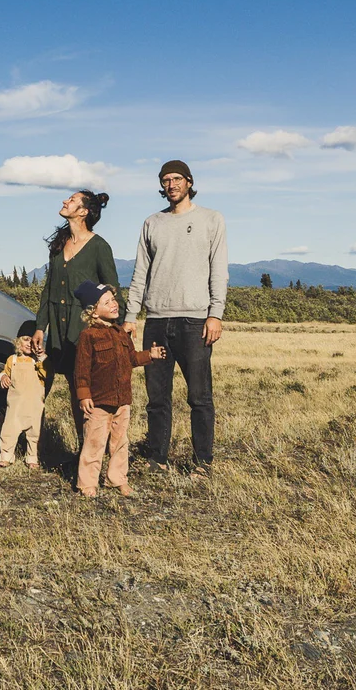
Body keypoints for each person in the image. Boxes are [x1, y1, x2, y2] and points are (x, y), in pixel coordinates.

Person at [123, 160, 228, 476]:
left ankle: (202, 462)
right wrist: (130, 315)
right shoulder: (152, 223)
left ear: (189, 182)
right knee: (157, 398)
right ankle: (157, 458)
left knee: (199, 396)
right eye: (166, 180)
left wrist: (215, 314)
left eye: (177, 179)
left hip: (195, 322)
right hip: (156, 320)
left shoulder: (211, 219)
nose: (171, 185)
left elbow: (219, 270)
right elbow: (140, 273)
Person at [31, 190, 120, 444]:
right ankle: (84, 449)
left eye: (71, 200)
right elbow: (49, 289)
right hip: (61, 328)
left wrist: (115, 328)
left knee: (91, 390)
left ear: (83, 212)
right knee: (75, 388)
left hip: (86, 329)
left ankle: (99, 448)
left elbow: (112, 289)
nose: (65, 201)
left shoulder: (99, 247)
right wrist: (40, 326)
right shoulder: (59, 246)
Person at [72, 280, 164, 496]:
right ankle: (87, 483)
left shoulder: (121, 333)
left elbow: (131, 358)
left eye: (113, 299)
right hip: (99, 402)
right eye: (107, 302)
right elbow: (81, 369)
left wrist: (149, 355)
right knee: (94, 443)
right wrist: (84, 395)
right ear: (93, 312)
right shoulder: (88, 336)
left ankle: (117, 478)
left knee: (120, 442)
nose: (114, 304)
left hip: (123, 400)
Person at [0, 320, 48, 468]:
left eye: (33, 340)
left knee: (34, 433)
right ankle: (6, 456)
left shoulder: (39, 361)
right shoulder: (12, 360)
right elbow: (3, 373)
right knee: (9, 430)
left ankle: (32, 458)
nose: (29, 343)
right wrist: (3, 377)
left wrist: (41, 358)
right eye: (25, 339)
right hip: (15, 406)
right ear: (18, 342)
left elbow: (47, 374)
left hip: (34, 405)